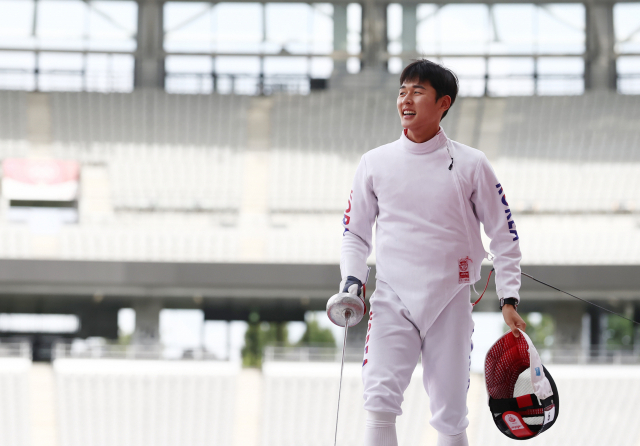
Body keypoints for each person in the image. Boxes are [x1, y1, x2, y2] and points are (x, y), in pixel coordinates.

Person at [338, 59, 526, 446]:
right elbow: (355, 234)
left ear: (443, 103)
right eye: (402, 91)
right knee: (378, 401)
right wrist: (353, 282)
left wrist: (509, 296)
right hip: (392, 298)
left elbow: (504, 235)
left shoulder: (472, 164)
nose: (406, 99)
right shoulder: (374, 163)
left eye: (417, 91)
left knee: (451, 413)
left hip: (450, 300)